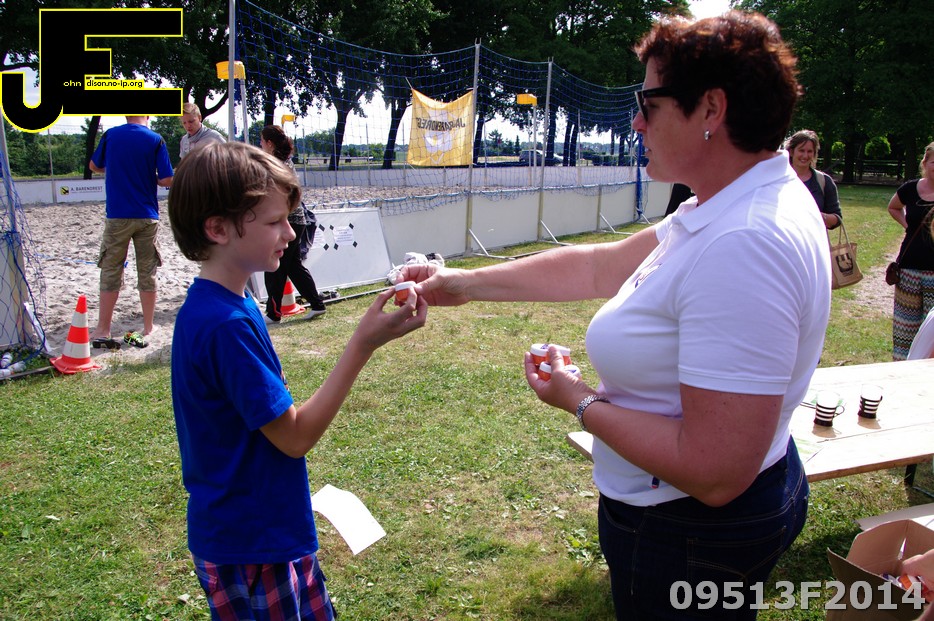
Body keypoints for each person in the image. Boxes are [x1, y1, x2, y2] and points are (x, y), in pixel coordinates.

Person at [402, 11, 826, 620]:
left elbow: (715, 472)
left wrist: (579, 402)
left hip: (687, 533)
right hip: (708, 515)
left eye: (648, 104)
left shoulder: (744, 241)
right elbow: (600, 266)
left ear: (711, 108)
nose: (636, 122)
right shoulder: (732, 204)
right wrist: (462, 285)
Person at [167, 141, 426, 621]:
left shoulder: (229, 303)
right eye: (274, 222)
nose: (289, 232)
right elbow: (294, 437)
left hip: (257, 530)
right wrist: (363, 343)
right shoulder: (224, 325)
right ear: (217, 228)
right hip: (253, 544)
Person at [88, 115, 174, 349]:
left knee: (111, 269)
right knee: (147, 271)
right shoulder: (155, 139)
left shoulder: (111, 135)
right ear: (147, 115)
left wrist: (116, 169)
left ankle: (103, 328)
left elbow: (94, 165)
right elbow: (167, 179)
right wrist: (148, 176)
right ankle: (148, 326)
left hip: (117, 214)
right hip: (147, 214)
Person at [260, 125, 328, 324]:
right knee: (293, 266)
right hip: (295, 220)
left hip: (287, 221)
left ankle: (273, 313)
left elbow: (276, 194)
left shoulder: (276, 164)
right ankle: (317, 305)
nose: (260, 144)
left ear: (269, 143)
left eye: (262, 141)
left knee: (275, 266)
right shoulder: (284, 161)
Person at [886, 141, 934, 361]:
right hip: (909, 269)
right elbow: (893, 207)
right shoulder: (910, 188)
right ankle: (900, 369)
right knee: (905, 330)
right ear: (925, 163)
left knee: (931, 335)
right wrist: (908, 225)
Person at [785, 129, 842, 229]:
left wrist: (817, 216)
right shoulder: (778, 179)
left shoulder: (824, 181)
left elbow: (837, 219)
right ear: (791, 152)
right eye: (801, 150)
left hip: (813, 238)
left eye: (810, 151)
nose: (805, 155)